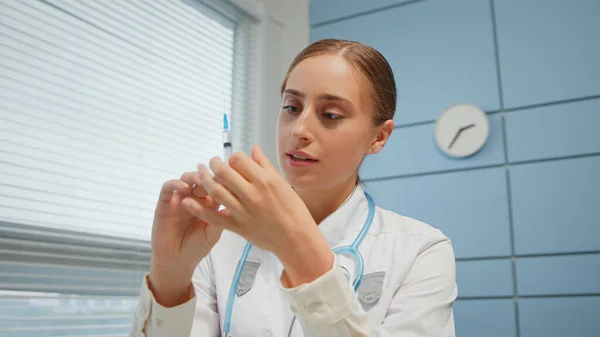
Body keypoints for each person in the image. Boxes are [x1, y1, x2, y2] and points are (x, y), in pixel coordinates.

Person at [129, 39, 457, 337]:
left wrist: (298, 251)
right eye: (292, 108)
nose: (299, 129)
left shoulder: (421, 251)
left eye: (330, 114)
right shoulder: (218, 238)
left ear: (378, 137)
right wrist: (169, 277)